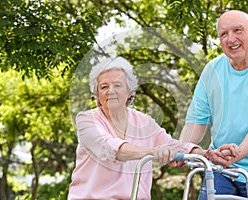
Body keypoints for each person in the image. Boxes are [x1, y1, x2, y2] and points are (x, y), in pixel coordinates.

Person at [179, 10, 248, 200]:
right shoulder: (212, 70)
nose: (231, 39)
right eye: (223, 34)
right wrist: (181, 149)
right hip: (222, 167)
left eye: (237, 30)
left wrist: (235, 155)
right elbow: (197, 121)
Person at [68, 56, 204, 199]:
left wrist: (206, 154)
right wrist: (154, 151)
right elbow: (111, 149)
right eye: (104, 87)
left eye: (117, 85)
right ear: (96, 94)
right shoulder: (87, 120)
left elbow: (173, 146)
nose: (111, 91)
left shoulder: (144, 122)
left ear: (130, 92)